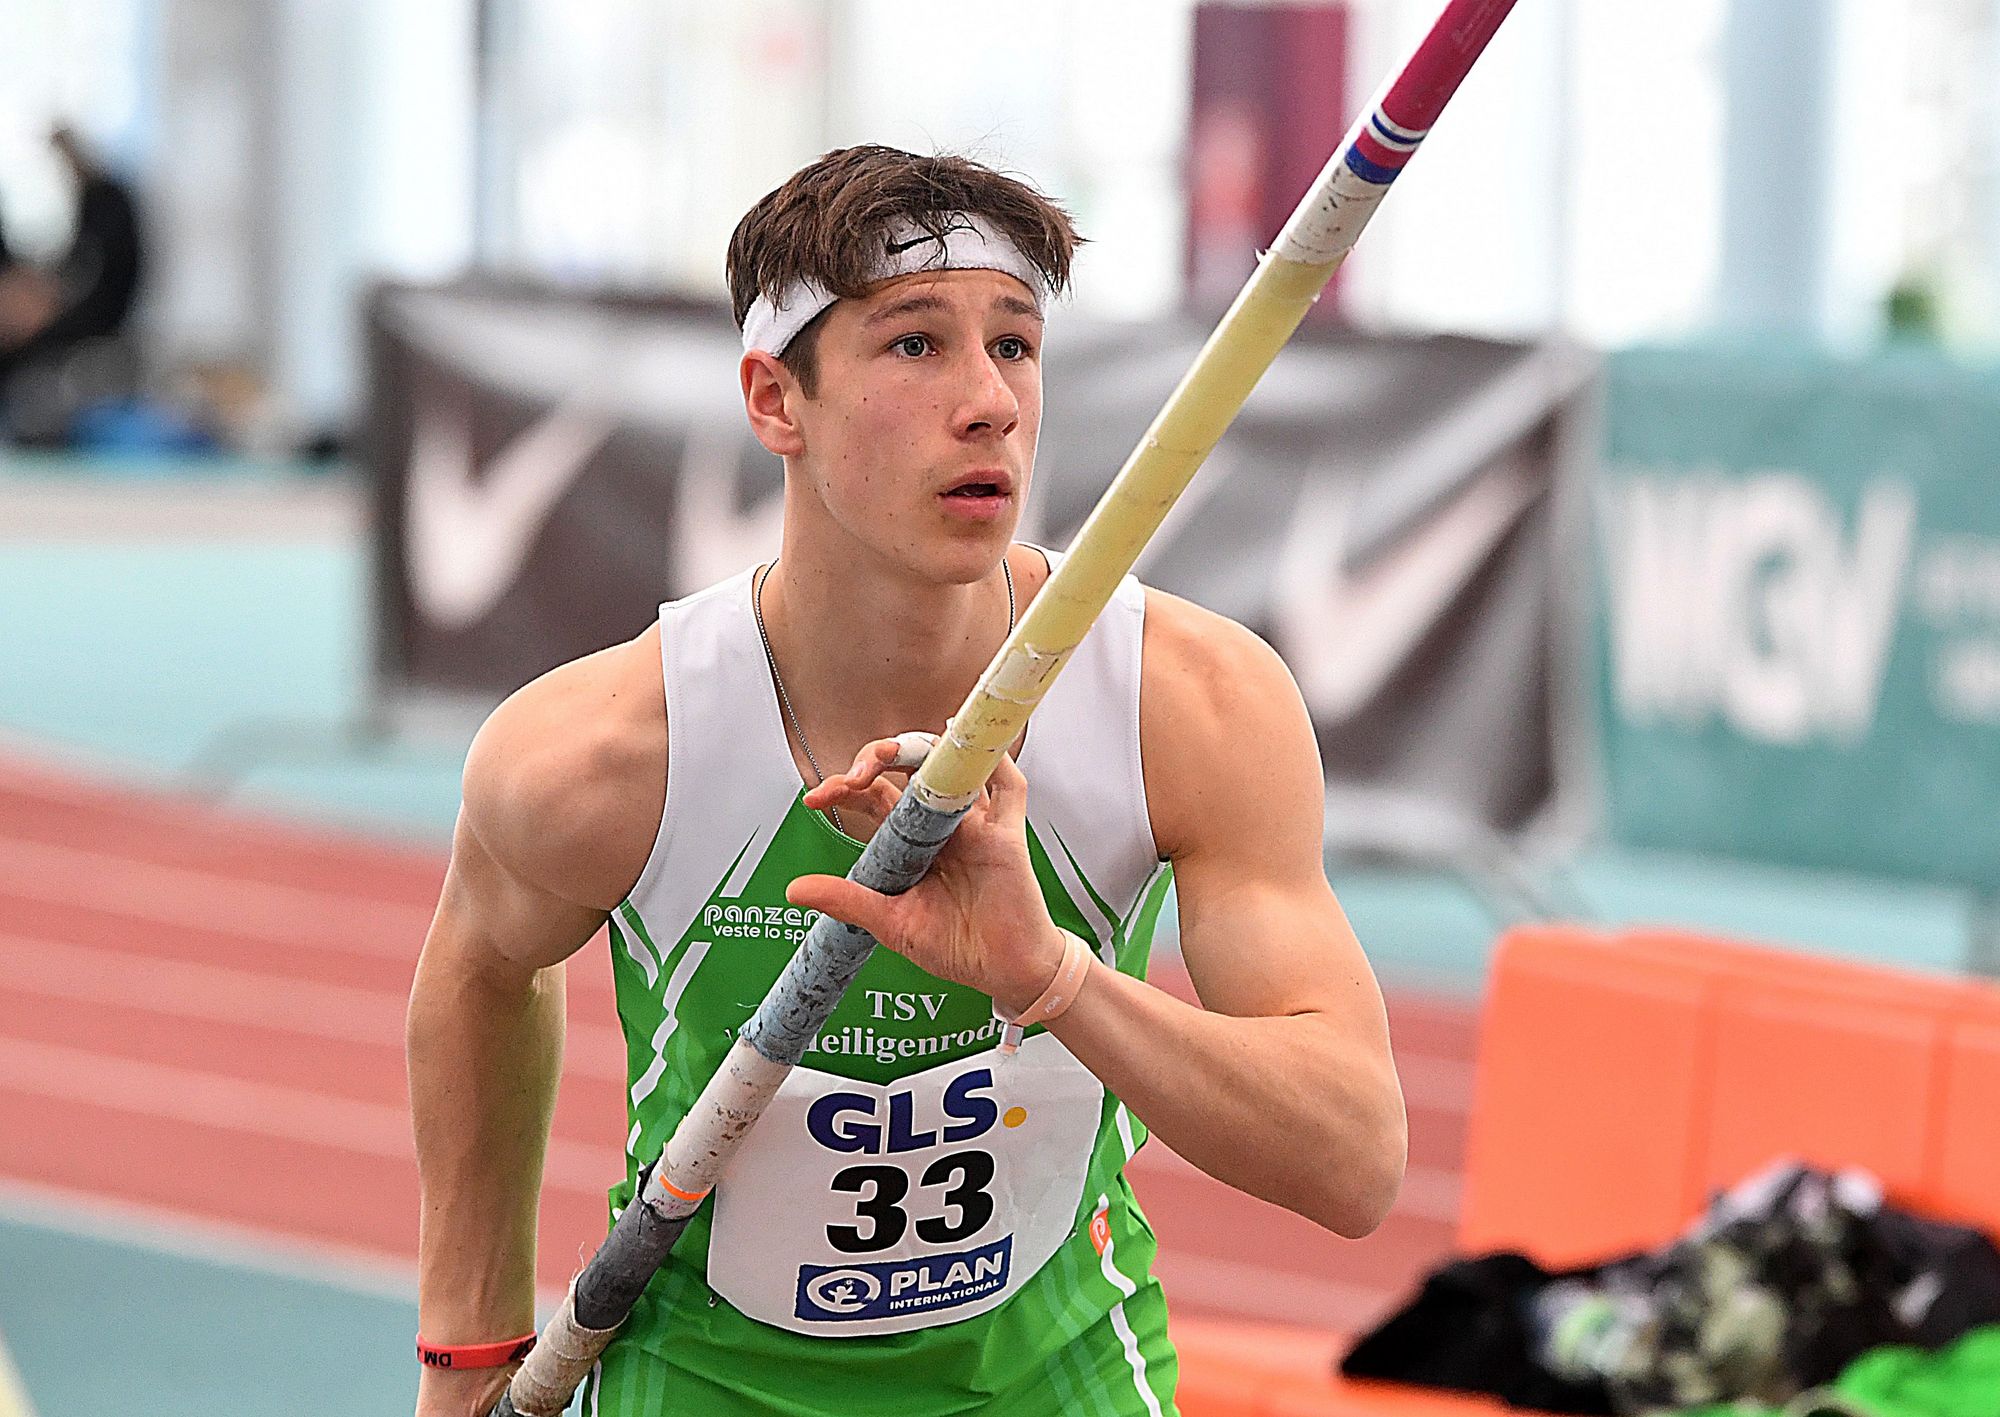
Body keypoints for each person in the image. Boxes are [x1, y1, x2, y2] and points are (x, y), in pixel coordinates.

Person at [407, 145, 1407, 1417]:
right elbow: (481, 965)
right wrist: (469, 1349)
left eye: (1014, 344)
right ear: (776, 400)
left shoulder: (1185, 704)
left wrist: (1051, 980)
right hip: (702, 1385)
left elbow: (1353, 1160)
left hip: (1060, 1385)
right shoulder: (603, 751)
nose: (989, 401)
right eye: (916, 344)